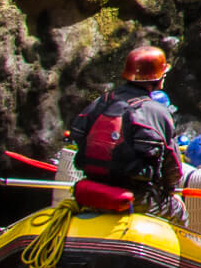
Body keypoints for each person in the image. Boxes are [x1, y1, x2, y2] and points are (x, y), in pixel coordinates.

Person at [65, 45, 187, 226]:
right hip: (134, 197)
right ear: (158, 78)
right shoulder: (156, 112)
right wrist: (168, 190)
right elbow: (173, 168)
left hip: (89, 190)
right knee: (178, 210)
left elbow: (79, 137)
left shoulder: (101, 102)